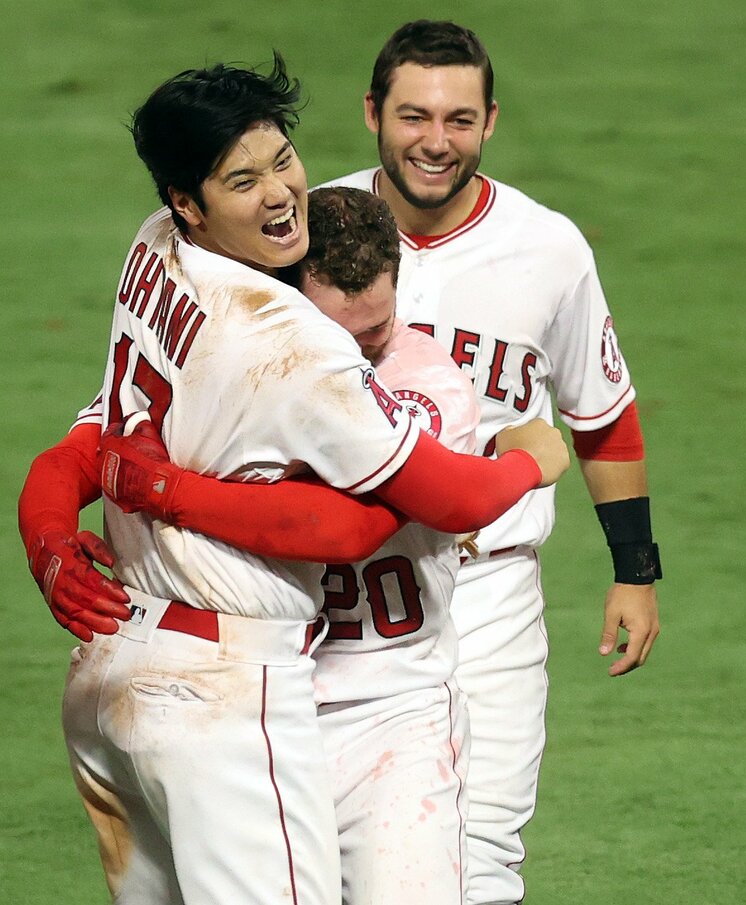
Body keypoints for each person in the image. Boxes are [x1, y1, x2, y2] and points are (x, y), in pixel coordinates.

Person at [18, 61, 570, 905]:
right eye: (243, 179)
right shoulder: (289, 345)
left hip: (146, 672)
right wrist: (534, 457)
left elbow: (88, 449)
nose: (279, 193)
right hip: (222, 683)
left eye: (282, 161)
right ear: (186, 202)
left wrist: (58, 531)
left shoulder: (155, 253)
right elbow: (362, 524)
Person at [319, 20, 663, 904]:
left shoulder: (548, 248)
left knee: (479, 858)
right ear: (372, 114)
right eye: (413, 115)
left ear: (490, 121)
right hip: (344, 596)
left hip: (489, 592)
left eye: (459, 119)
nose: (436, 141)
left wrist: (635, 569)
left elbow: (601, 413)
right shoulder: (308, 230)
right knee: (327, 856)